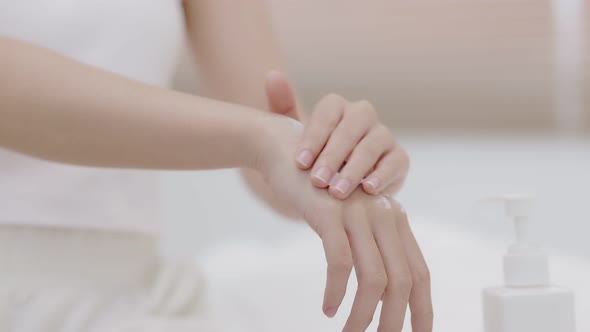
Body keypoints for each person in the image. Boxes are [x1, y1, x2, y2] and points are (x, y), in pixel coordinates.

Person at [0, 1, 432, 331]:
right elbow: (257, 136)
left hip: (139, 297)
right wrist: (259, 138)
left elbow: (276, 144)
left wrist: (343, 161)